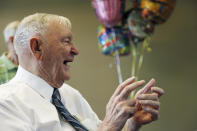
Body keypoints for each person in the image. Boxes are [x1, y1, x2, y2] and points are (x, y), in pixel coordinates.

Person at [0, 13, 164, 131]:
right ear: (37, 47)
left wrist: (131, 124)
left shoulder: (71, 95)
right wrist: (109, 126)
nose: (75, 50)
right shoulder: (6, 104)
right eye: (66, 41)